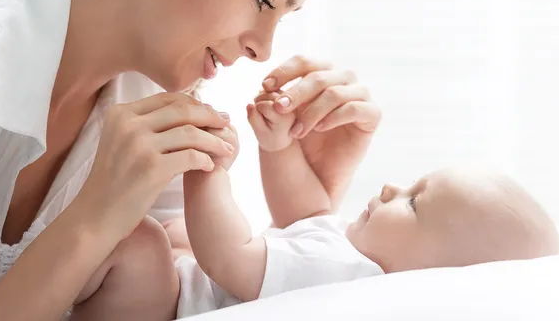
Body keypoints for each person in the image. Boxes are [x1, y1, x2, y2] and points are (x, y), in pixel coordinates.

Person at [0, 0, 386, 319]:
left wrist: (307, 215)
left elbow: (181, 296)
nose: (264, 48)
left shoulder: (153, 99)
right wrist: (92, 222)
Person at [174, 91, 559, 318]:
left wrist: (207, 170)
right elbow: (307, 215)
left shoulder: (344, 272)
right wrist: (280, 146)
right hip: (190, 277)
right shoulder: (350, 248)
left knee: (145, 251)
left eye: (413, 204)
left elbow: (228, 257)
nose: (392, 188)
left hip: (174, 303)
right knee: (171, 235)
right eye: (412, 185)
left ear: (425, 273)